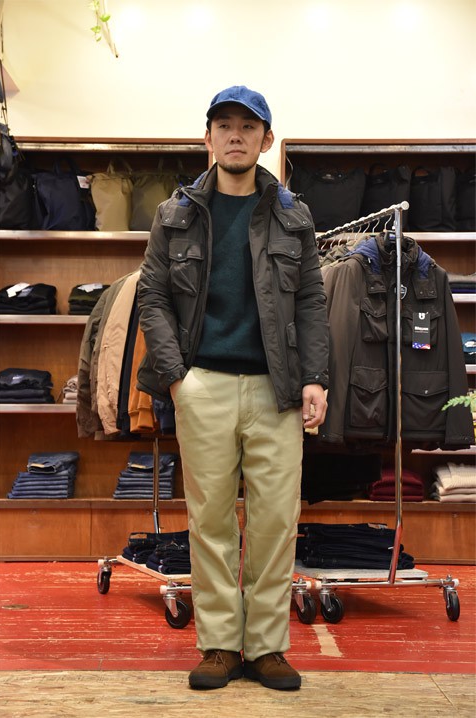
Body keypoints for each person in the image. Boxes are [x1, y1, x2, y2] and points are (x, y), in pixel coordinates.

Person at [137, 85, 329, 691]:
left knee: (275, 522)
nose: (236, 135)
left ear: (267, 140)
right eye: (224, 125)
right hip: (205, 385)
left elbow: (312, 300)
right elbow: (152, 296)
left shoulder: (294, 215)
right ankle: (220, 644)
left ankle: (267, 647)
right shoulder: (175, 215)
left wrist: (315, 378)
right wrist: (178, 379)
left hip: (277, 389)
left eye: (248, 126)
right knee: (211, 522)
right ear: (208, 138)